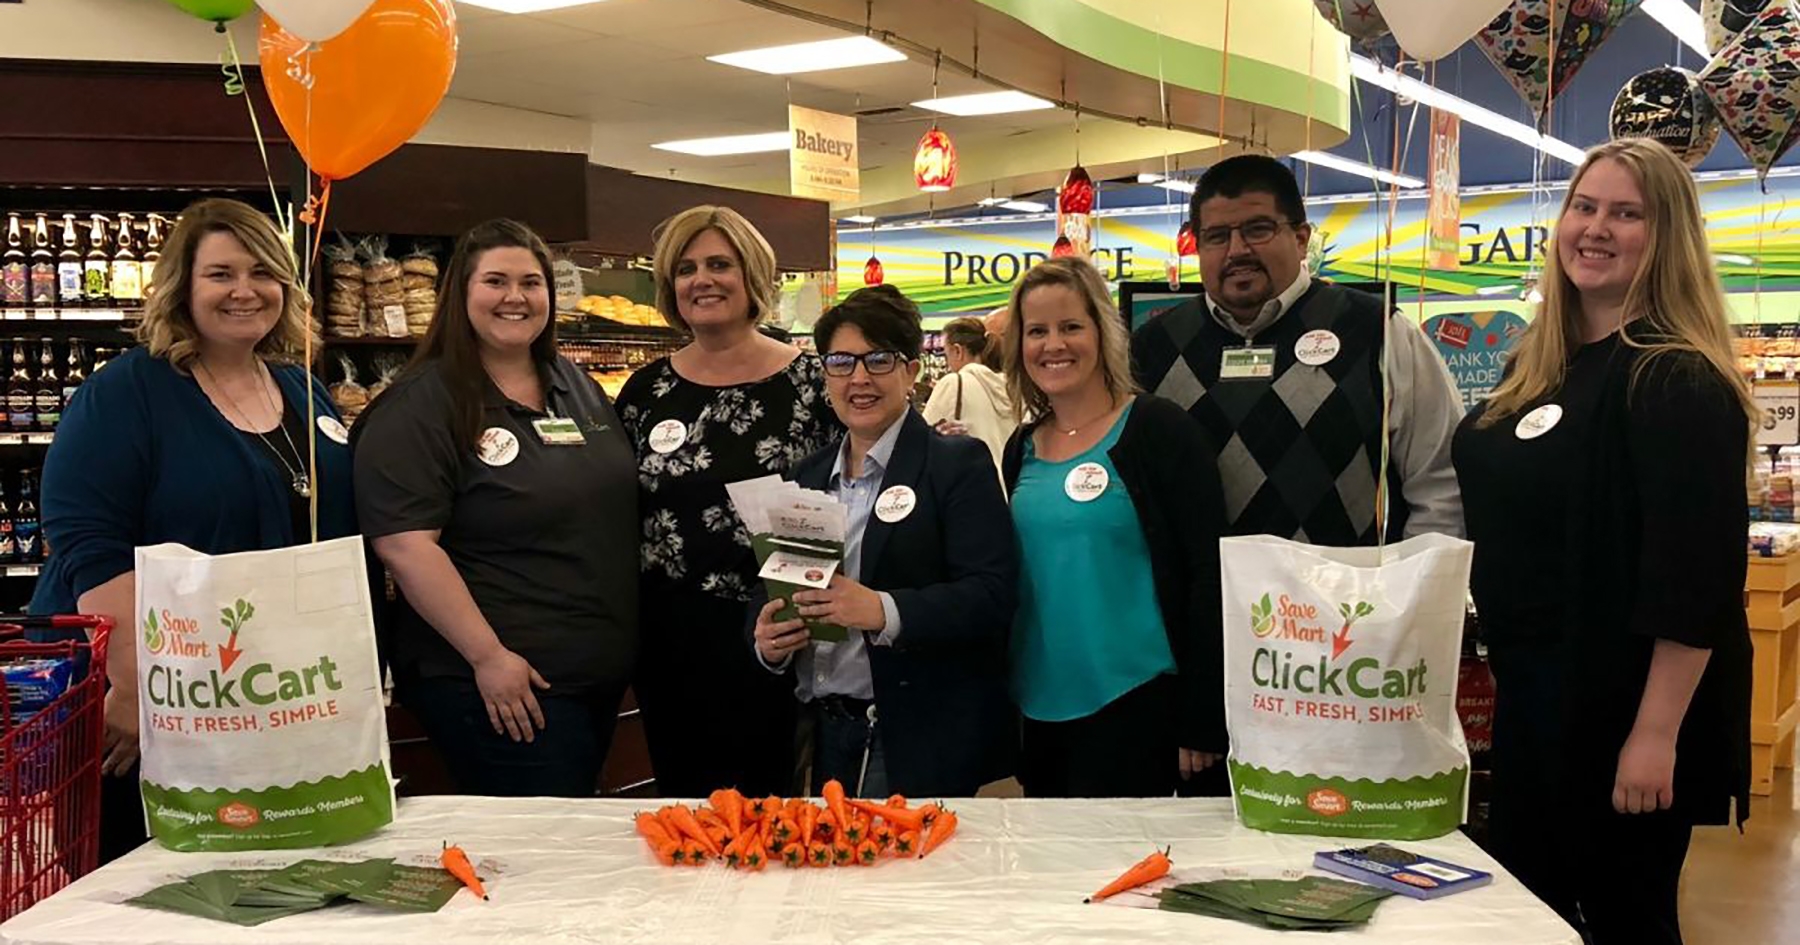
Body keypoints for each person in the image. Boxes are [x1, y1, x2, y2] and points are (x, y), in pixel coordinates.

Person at [1451, 138, 1752, 945]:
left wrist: (1654, 735)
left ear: (1668, 236)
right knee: (1532, 915)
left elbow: (1695, 577)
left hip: (1624, 710)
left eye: (1626, 213)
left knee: (1624, 917)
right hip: (1537, 699)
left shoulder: (1676, 377)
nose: (1596, 228)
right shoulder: (1540, 367)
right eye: (1584, 207)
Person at [32, 197, 355, 862]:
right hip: (157, 704)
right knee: (152, 884)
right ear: (182, 286)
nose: (245, 290)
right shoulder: (126, 392)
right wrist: (132, 687)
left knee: (273, 872)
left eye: (263, 272)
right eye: (221, 274)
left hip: (267, 696)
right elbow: (90, 544)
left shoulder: (302, 389)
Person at [352, 219, 639, 798]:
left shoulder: (572, 384)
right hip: (504, 683)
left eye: (531, 282)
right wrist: (489, 657)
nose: (516, 297)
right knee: (541, 846)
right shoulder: (422, 405)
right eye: (495, 282)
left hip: (590, 676)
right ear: (460, 293)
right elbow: (406, 547)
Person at [751, 286, 1017, 798]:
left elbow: (992, 594)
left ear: (911, 371)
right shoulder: (806, 478)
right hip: (818, 730)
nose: (859, 378)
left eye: (878, 360)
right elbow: (767, 587)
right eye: (841, 362)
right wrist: (767, 640)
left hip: (906, 736)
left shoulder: (954, 465)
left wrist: (883, 609)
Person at [615, 206, 841, 798]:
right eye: (685, 268)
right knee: (683, 806)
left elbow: (850, 491)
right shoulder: (646, 391)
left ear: (752, 277)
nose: (702, 280)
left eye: (719, 264)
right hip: (667, 640)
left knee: (769, 808)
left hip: (774, 630)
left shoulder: (812, 384)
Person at [1131, 154, 1464, 544]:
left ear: (1302, 239)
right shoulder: (1152, 348)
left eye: (1258, 229)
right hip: (1200, 585)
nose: (1237, 250)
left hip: (1346, 584)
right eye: (1217, 236)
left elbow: (1442, 484)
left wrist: (1414, 577)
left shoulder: (1379, 331)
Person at [999, 257, 1227, 797]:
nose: (1054, 345)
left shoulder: (1157, 430)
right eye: (1037, 331)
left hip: (1137, 702)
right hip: (1039, 705)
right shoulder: (1022, 447)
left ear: (1102, 332)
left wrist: (1203, 715)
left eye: (1070, 326)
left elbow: (1209, 574)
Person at [921, 315, 1015, 472]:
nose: (948, 363)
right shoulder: (1012, 387)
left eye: (946, 354)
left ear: (958, 351)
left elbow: (920, 443)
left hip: (975, 481)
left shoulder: (954, 382)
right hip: (1013, 482)